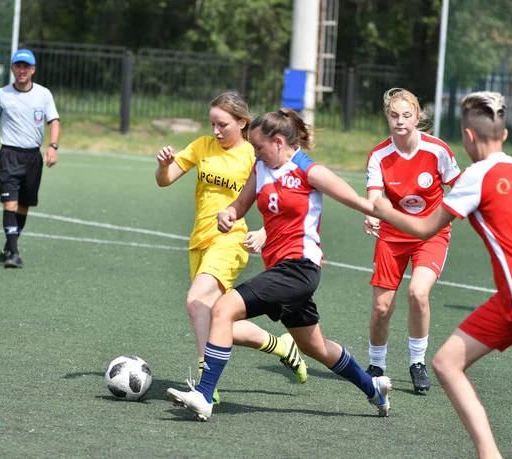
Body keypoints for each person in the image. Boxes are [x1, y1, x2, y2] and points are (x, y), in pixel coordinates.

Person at [166, 108, 392, 421]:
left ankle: (204, 395)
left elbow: (358, 201)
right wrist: (228, 214)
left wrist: (378, 214)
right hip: (280, 269)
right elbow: (240, 205)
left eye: (258, 147)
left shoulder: (307, 170)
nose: (254, 152)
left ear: (277, 142)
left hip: (300, 268)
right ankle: (373, 388)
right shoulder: (261, 167)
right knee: (314, 346)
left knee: (223, 308)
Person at [373, 91, 512, 458]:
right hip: (510, 298)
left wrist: (375, 206)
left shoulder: (476, 177)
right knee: (445, 363)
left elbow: (425, 230)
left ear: (468, 137)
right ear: (504, 135)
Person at [155, 93, 308, 406]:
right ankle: (280, 346)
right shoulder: (201, 146)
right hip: (199, 241)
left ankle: (205, 384)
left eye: (222, 124)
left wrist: (266, 232)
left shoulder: (256, 154)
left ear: (242, 122)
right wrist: (164, 165)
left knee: (195, 300)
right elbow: (165, 180)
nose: (216, 130)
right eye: (212, 123)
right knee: (215, 321)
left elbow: (285, 199)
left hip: (231, 240)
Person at [363, 88, 460, 392]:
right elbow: (375, 197)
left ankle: (417, 363)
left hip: (430, 233)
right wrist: (372, 213)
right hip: (393, 234)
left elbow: (458, 190)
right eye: (394, 115)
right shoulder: (379, 154)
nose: (400, 121)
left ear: (418, 117)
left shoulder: (438, 150)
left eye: (407, 115)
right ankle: (376, 365)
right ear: (387, 118)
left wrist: (438, 222)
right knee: (381, 309)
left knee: (418, 294)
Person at [0, 49, 60, 269]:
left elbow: (54, 121)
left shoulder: (43, 94)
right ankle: (14, 253)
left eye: (26, 66)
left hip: (33, 157)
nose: (22, 70)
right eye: (18, 66)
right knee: (10, 202)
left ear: (33, 69)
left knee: (23, 205)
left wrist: (53, 146)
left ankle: (8, 247)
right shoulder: (1, 94)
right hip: (9, 156)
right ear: (12, 68)